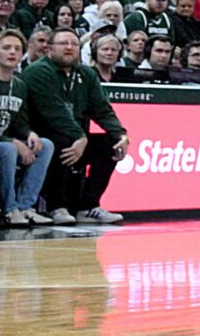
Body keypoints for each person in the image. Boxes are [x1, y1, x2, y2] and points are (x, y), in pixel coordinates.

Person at [17, 27, 129, 224]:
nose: (69, 48)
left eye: (74, 44)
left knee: (110, 143)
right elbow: (55, 112)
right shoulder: (37, 72)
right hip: (42, 137)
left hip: (76, 137)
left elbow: (102, 109)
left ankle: (88, 206)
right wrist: (80, 137)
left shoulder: (86, 74)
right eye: (63, 43)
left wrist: (121, 134)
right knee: (62, 140)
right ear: (50, 49)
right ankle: (56, 206)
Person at [0, 31, 51, 225]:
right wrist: (13, 142)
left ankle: (25, 205)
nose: (12, 52)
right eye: (6, 48)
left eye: (17, 49)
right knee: (9, 148)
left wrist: (29, 134)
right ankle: (9, 209)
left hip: (8, 140)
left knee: (45, 145)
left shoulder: (19, 85)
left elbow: (19, 122)